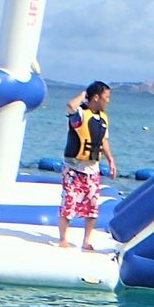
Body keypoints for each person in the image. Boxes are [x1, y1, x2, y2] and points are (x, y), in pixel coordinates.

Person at [58, 81, 116, 250]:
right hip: (73, 168)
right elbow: (70, 106)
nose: (108, 101)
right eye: (106, 97)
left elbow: (103, 140)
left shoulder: (103, 118)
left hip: (92, 168)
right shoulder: (80, 114)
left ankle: (86, 240)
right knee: (68, 202)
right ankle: (63, 239)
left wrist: (110, 159)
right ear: (96, 97)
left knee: (92, 206)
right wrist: (83, 95)